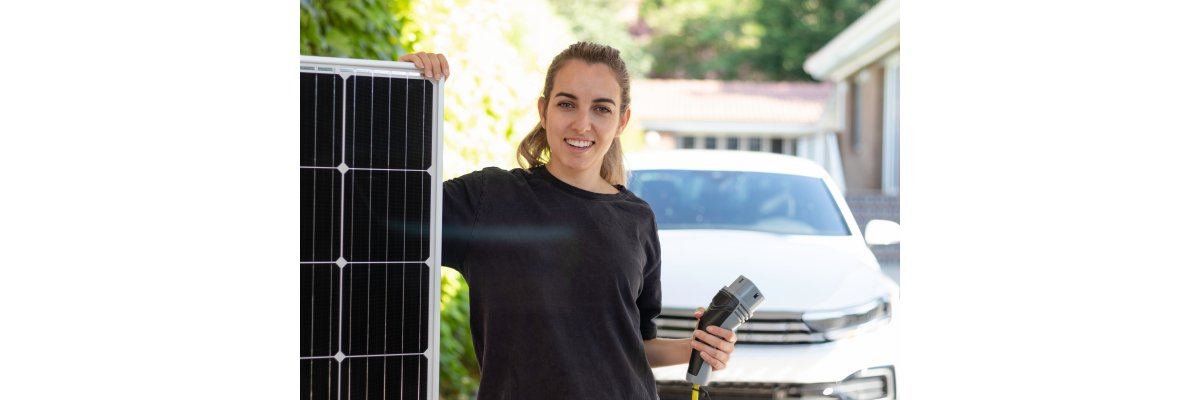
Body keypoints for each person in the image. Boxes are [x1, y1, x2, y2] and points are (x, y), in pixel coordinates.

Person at [401, 42, 738, 400]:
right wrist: (398, 89)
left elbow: (633, 343)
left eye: (601, 109)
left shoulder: (638, 218)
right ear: (543, 111)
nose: (582, 123)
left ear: (621, 121)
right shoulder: (488, 198)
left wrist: (695, 346)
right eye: (567, 104)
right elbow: (380, 209)